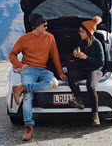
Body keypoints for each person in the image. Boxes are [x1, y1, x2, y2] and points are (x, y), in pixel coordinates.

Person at [8, 13, 68, 141]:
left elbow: (55, 57)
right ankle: (29, 127)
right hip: (28, 70)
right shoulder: (24, 39)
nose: (46, 27)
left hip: (43, 70)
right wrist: (19, 65)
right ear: (37, 25)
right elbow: (12, 54)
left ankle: (22, 87)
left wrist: (61, 73)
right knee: (28, 98)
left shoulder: (50, 37)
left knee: (53, 83)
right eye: (44, 25)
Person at [67, 16, 104, 125]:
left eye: (81, 31)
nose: (79, 33)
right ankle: (79, 100)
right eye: (79, 31)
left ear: (88, 32)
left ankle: (95, 114)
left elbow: (100, 63)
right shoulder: (81, 43)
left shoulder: (97, 44)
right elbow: (78, 59)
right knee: (71, 75)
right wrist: (75, 54)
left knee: (91, 85)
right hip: (84, 69)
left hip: (96, 70)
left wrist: (86, 57)